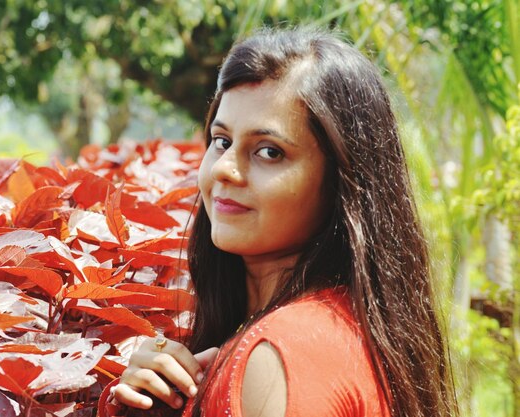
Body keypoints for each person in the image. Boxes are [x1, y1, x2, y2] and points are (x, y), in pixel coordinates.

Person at [102, 27, 457, 417]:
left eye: (269, 152)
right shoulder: (325, 328)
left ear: (343, 182)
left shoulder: (284, 353)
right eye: (221, 141)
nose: (224, 169)